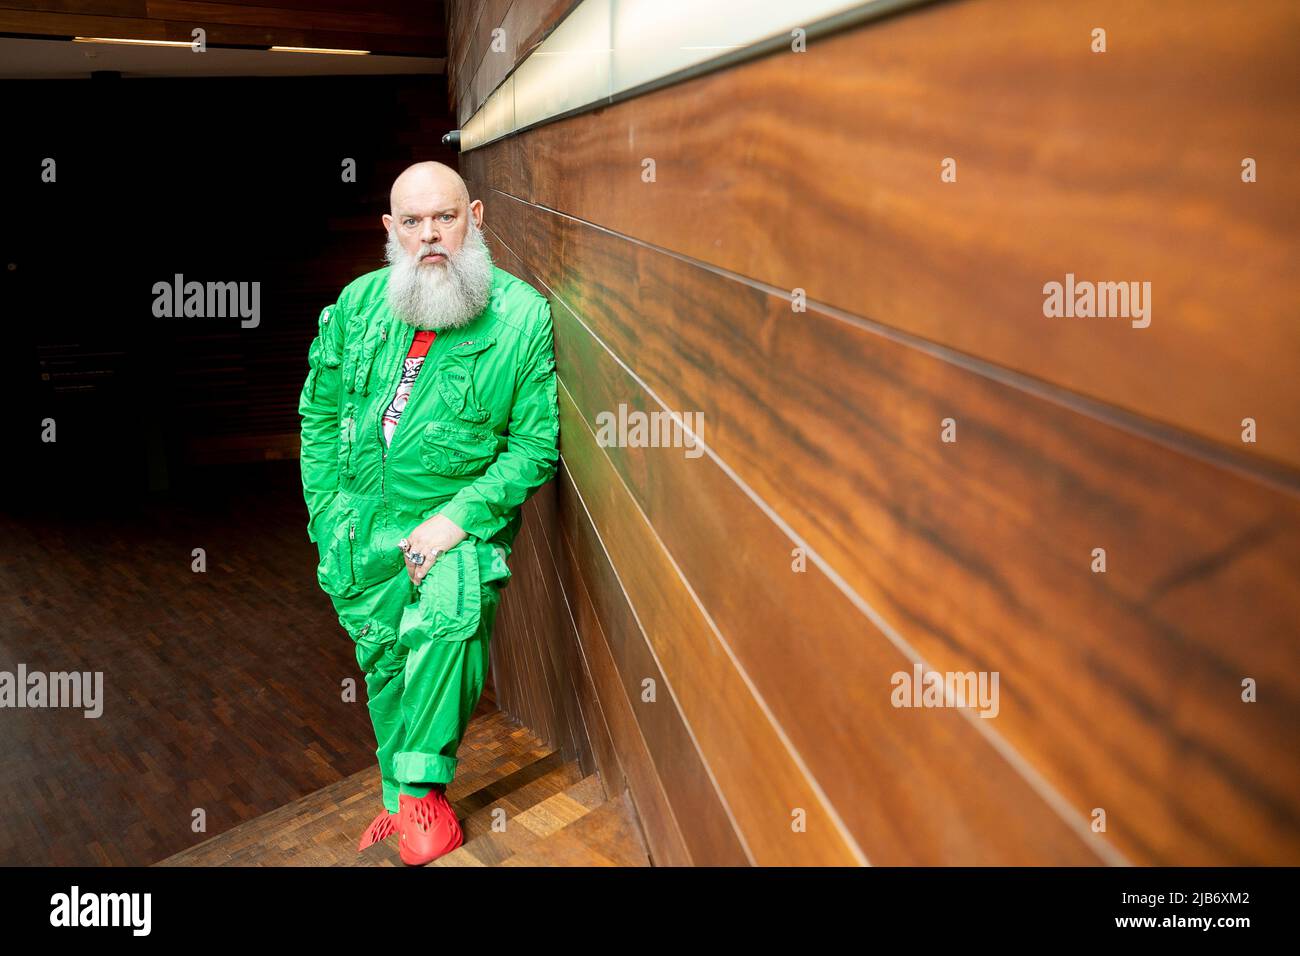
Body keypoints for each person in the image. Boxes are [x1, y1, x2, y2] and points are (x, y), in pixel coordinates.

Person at [297, 161, 559, 865]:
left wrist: (458, 519)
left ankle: (421, 794)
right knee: (383, 661)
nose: (430, 235)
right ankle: (396, 797)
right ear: (391, 231)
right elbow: (318, 414)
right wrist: (326, 515)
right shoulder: (356, 305)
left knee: (449, 618)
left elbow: (534, 446)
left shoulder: (520, 316)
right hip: (358, 524)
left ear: (475, 217)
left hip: (453, 521)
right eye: (411, 222)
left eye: (444, 217)